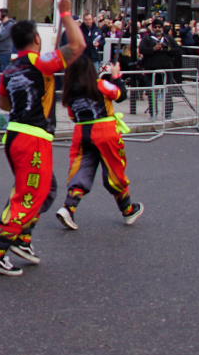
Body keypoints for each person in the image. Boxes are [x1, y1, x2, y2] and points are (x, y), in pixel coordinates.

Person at [0, 0, 85, 276]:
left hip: (14, 134)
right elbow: (77, 46)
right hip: (32, 137)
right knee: (30, 193)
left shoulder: (9, 69)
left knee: (48, 188)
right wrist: (65, 14)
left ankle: (23, 239)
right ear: (36, 40)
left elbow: (4, 104)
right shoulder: (42, 63)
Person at [54, 58, 144, 231]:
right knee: (114, 171)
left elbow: (73, 116)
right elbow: (120, 95)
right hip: (105, 131)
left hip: (81, 133)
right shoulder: (100, 84)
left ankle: (68, 207)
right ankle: (127, 209)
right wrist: (116, 75)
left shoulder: (70, 93)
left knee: (82, 169)